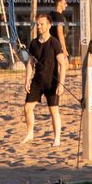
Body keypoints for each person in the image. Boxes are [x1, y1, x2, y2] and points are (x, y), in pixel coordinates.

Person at [20, 12, 66, 146]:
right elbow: (30, 63)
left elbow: (62, 64)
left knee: (53, 111)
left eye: (42, 24)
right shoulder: (34, 43)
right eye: (37, 24)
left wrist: (61, 84)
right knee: (27, 107)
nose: (39, 26)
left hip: (52, 82)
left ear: (49, 25)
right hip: (37, 81)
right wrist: (27, 80)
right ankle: (30, 133)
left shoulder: (55, 43)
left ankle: (57, 139)